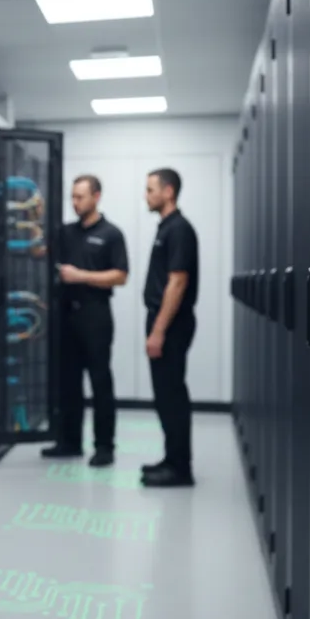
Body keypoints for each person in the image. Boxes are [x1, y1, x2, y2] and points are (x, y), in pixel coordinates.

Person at [42, 175, 129, 467]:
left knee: (100, 381)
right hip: (66, 313)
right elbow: (40, 252)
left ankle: (104, 447)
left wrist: (82, 276)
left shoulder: (111, 234)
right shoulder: (65, 232)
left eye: (80, 197)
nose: (75, 202)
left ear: (96, 197)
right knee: (67, 382)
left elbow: (120, 276)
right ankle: (70, 441)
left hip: (96, 315)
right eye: (72, 197)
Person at [142, 168, 199, 487]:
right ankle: (171, 459)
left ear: (169, 192)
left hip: (172, 324)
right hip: (165, 321)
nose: (146, 195)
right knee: (165, 395)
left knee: (172, 395)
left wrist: (159, 331)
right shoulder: (167, 227)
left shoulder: (179, 229)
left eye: (150, 189)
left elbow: (177, 283)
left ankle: (180, 469)